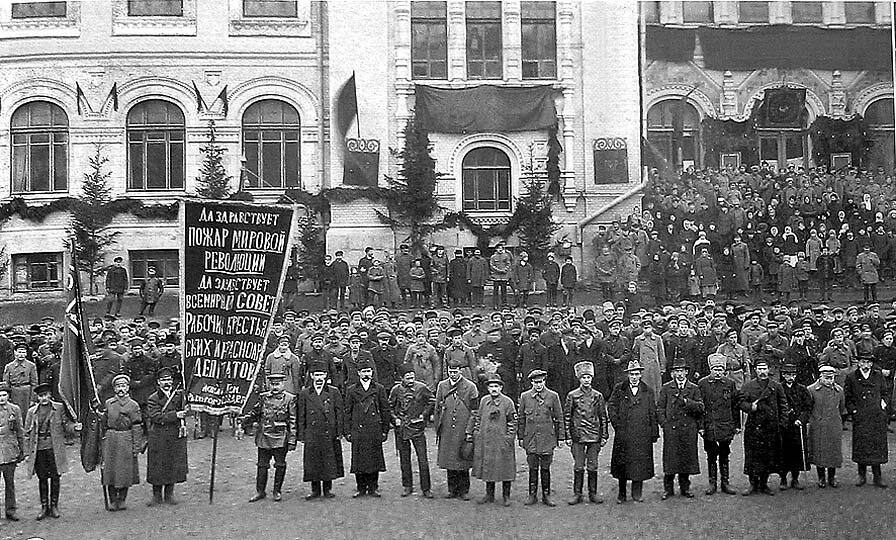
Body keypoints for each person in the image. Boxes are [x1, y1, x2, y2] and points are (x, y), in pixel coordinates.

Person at [24, 382, 81, 520]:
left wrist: (74, 427)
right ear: (37, 398)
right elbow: (27, 433)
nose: (44, 398)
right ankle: (44, 507)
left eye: (46, 395)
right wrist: (27, 453)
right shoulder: (32, 412)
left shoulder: (59, 408)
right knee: (42, 478)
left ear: (50, 395)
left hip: (54, 448)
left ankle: (54, 506)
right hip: (39, 449)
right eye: (41, 396)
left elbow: (65, 424)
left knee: (55, 477)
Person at [607, 360, 659, 503]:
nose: (634, 377)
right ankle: (622, 494)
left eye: (637, 374)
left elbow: (652, 412)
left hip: (641, 434)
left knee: (639, 464)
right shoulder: (619, 389)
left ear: (641, 375)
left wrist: (654, 432)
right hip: (624, 433)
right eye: (631, 374)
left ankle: (637, 492)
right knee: (622, 465)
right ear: (628, 375)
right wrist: (617, 423)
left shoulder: (648, 390)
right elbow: (611, 406)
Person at [739, 359, 790, 496]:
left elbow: (783, 404)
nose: (762, 371)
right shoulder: (748, 386)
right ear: (755, 370)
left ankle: (764, 484)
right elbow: (740, 402)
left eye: (764, 368)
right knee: (753, 456)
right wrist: (750, 407)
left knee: (768, 456)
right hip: (754, 426)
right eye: (759, 369)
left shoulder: (776, 386)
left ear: (769, 370)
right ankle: (753, 484)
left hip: (771, 426)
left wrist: (783, 423)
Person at [467, 373, 517, 506]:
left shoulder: (507, 402)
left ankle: (506, 496)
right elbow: (478, 418)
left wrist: (508, 438)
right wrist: (477, 433)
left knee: (505, 468)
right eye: (491, 386)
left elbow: (512, 422)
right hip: (486, 440)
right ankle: (489, 494)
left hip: (501, 441)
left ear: (501, 388)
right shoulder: (484, 401)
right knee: (488, 466)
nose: (494, 389)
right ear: (488, 388)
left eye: (496, 386)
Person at [657, 358, 704, 499]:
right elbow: (660, 408)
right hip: (672, 428)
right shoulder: (666, 388)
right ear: (672, 373)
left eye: (682, 371)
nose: (679, 374)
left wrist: (686, 402)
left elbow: (701, 407)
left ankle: (685, 488)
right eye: (676, 371)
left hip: (688, 428)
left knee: (686, 459)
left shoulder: (694, 388)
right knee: (670, 459)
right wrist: (664, 424)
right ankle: (668, 489)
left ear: (687, 372)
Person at [297, 361, 344, 500]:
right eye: (316, 375)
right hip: (312, 432)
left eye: (321, 374)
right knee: (313, 461)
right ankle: (315, 490)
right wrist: (301, 434)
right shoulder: (305, 393)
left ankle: (327, 489)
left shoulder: (333, 392)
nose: (319, 378)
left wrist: (339, 431)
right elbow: (301, 415)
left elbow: (339, 412)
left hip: (329, 431)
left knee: (328, 459)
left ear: (325, 376)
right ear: (311, 376)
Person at [517, 368, 564, 506]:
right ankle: (532, 495)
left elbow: (559, 417)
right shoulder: (525, 397)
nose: (538, 385)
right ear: (531, 382)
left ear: (544, 381)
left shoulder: (553, 396)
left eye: (541, 382)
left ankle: (546, 494)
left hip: (547, 437)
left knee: (545, 467)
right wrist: (520, 437)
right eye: (536, 382)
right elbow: (521, 419)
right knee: (532, 466)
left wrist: (561, 437)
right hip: (530, 437)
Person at [564, 361, 609, 505]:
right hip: (577, 436)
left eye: (588, 377)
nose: (586, 380)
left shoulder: (598, 396)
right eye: (583, 377)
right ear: (579, 379)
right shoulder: (572, 395)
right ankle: (577, 494)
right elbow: (567, 417)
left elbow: (603, 417)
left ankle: (593, 493)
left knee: (593, 465)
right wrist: (568, 436)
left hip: (594, 435)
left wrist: (604, 435)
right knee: (578, 465)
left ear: (592, 378)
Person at [344, 358, 391, 498]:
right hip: (358, 428)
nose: (366, 374)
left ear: (372, 372)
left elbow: (385, 410)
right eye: (363, 371)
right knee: (359, 459)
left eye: (368, 371)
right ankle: (360, 487)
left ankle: (373, 487)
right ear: (358, 373)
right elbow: (347, 411)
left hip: (374, 427)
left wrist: (385, 430)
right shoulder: (352, 390)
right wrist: (347, 431)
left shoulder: (379, 388)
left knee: (374, 458)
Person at [389, 364, 435, 498]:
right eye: (407, 378)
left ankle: (426, 488)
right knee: (404, 459)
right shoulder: (396, 390)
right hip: (402, 428)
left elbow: (432, 401)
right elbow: (389, 407)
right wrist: (395, 419)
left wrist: (424, 414)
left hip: (417, 428)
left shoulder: (421, 387)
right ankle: (407, 486)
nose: (410, 380)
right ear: (401, 378)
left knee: (422, 459)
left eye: (412, 377)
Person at [434, 363, 479, 500]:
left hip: (463, 427)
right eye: (450, 371)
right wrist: (438, 426)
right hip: (447, 427)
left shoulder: (470, 387)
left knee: (462, 458)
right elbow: (437, 406)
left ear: (461, 371)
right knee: (449, 459)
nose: (452, 374)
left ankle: (464, 490)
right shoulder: (442, 385)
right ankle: (452, 489)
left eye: (455, 371)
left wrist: (469, 430)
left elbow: (475, 411)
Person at [698, 353, 740, 495]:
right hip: (710, 425)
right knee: (711, 454)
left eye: (720, 369)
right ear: (710, 369)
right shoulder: (702, 384)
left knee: (724, 453)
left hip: (725, 424)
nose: (717, 372)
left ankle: (725, 483)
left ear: (724, 371)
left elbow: (735, 406)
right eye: (715, 369)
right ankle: (712, 483)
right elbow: (700, 406)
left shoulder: (729, 384)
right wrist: (701, 426)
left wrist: (737, 425)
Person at [101, 374, 144, 511]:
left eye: (123, 386)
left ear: (128, 388)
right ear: (114, 389)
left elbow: (137, 427)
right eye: (118, 386)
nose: (121, 389)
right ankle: (113, 500)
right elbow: (103, 423)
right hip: (111, 439)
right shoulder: (109, 403)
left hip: (126, 438)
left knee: (125, 470)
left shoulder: (133, 405)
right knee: (110, 470)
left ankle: (122, 499)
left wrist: (136, 446)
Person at [145, 367, 188, 505]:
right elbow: (155, 416)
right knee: (157, 465)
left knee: (172, 463)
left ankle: (169, 494)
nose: (166, 382)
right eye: (163, 380)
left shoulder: (179, 395)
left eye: (169, 379)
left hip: (175, 434)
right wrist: (176, 415)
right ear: (158, 382)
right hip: (159, 435)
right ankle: (156, 495)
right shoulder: (153, 398)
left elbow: (187, 408)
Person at [845, 355, 889, 488]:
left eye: (868, 362)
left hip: (876, 416)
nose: (865, 364)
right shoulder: (851, 377)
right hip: (861, 416)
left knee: (876, 446)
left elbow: (885, 393)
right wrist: (854, 411)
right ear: (858, 363)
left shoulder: (878, 375)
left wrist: (883, 405)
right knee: (861, 446)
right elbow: (848, 397)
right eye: (863, 362)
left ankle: (877, 476)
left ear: (871, 364)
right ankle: (862, 475)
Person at [807, 364, 845, 489]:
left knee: (833, 452)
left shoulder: (839, 390)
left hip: (834, 425)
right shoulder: (811, 390)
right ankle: (821, 478)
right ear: (820, 377)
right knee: (820, 452)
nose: (829, 381)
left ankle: (832, 477)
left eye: (831, 378)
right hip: (818, 425)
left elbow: (842, 408)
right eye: (826, 378)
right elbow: (809, 408)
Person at [778, 362, 812, 490]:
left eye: (792, 375)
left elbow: (808, 407)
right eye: (787, 375)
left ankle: (795, 478)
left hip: (797, 426)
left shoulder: (802, 389)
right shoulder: (778, 388)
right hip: (784, 426)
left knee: (797, 452)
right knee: (783, 452)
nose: (790, 377)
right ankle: (783, 479)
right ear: (783, 375)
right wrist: (783, 418)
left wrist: (801, 419)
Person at [0, 383, 24, 521]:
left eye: (4, 395)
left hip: (10, 451)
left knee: (10, 483)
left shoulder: (14, 409)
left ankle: (10, 510)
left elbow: (19, 430)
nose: (1, 398)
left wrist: (22, 450)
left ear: (8, 396)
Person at [3, 343, 37, 421]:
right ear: (15, 353)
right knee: (13, 413)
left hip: (26, 393)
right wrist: (7, 397)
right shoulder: (9, 366)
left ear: (26, 353)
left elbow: (34, 383)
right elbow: (6, 384)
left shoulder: (31, 366)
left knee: (26, 414)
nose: (21, 354)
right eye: (19, 352)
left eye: (23, 352)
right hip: (14, 392)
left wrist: (33, 399)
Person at [489, 243, 512, 309]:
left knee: (504, 291)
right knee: (495, 291)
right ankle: (495, 304)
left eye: (501, 248)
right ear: (496, 249)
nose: (500, 250)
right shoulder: (493, 257)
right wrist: (499, 270)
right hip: (496, 276)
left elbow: (508, 264)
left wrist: (505, 269)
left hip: (504, 276)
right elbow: (492, 265)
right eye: (498, 248)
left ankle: (504, 304)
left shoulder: (506, 256)